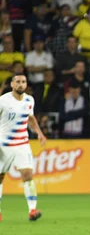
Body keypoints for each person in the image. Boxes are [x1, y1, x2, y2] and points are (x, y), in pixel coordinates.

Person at [0, 73, 46, 221]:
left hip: (22, 144)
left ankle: (32, 210)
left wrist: (39, 132)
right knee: (0, 178)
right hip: (4, 145)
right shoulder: (3, 101)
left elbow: (30, 118)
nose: (21, 84)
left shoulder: (29, 100)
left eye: (23, 82)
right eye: (18, 82)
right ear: (12, 84)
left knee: (28, 175)